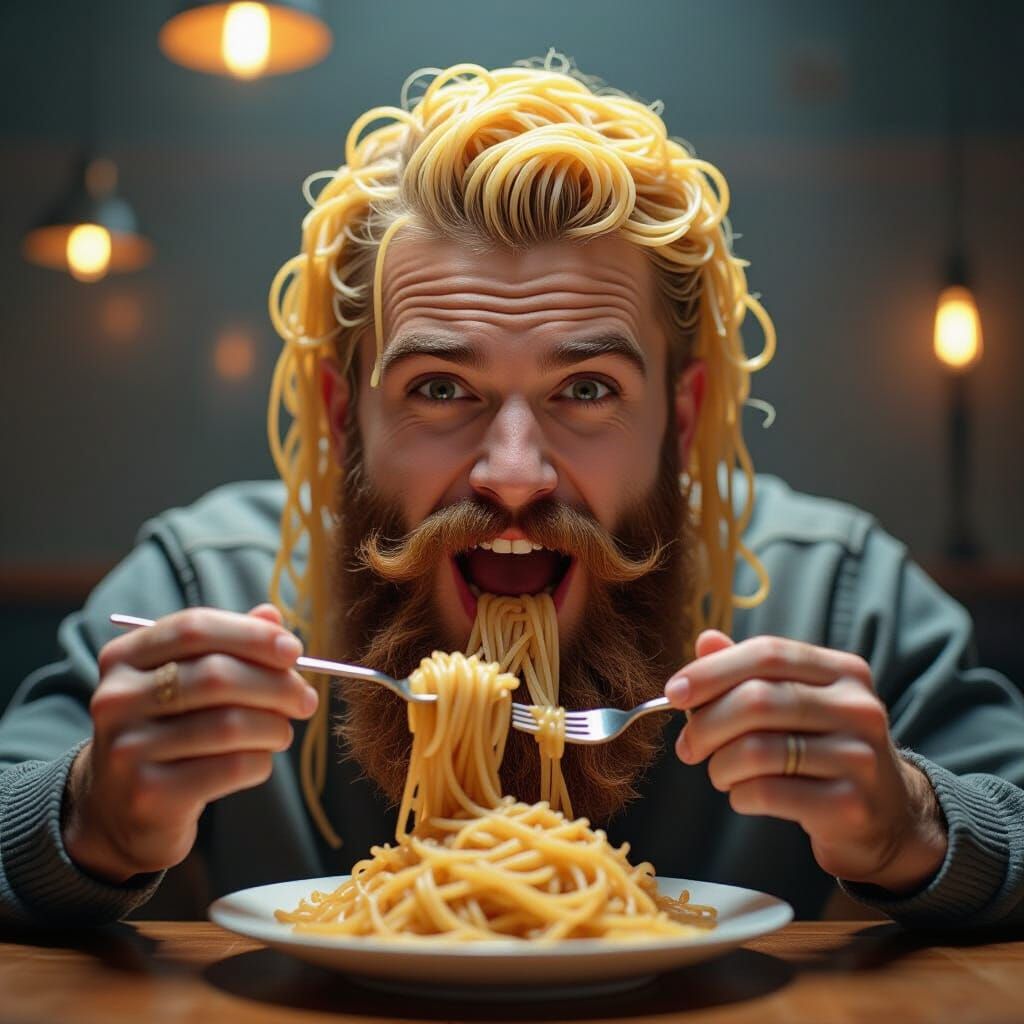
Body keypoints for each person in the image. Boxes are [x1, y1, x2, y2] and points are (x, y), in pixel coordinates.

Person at [2, 55, 1022, 929]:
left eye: (586, 390)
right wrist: (87, 816)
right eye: (440, 388)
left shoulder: (832, 595)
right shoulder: (205, 585)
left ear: (679, 411)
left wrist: (916, 825)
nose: (514, 474)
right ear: (341, 413)